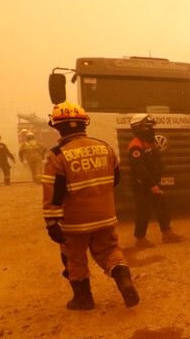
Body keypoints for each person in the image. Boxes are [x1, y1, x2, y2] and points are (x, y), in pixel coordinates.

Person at [41, 102, 140, 310]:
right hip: (105, 216)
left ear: (56, 126)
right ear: (84, 123)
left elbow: (52, 192)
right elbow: (115, 179)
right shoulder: (105, 147)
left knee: (74, 259)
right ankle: (124, 281)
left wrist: (52, 222)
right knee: (110, 250)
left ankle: (83, 299)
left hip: (74, 223)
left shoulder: (57, 156)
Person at [127, 113, 182, 247]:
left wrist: (158, 179)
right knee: (143, 211)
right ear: (139, 128)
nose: (151, 129)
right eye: (148, 127)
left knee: (162, 206)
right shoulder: (136, 146)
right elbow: (140, 169)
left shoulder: (149, 143)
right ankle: (140, 239)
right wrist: (152, 185)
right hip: (142, 184)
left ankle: (167, 234)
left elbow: (156, 162)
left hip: (153, 182)